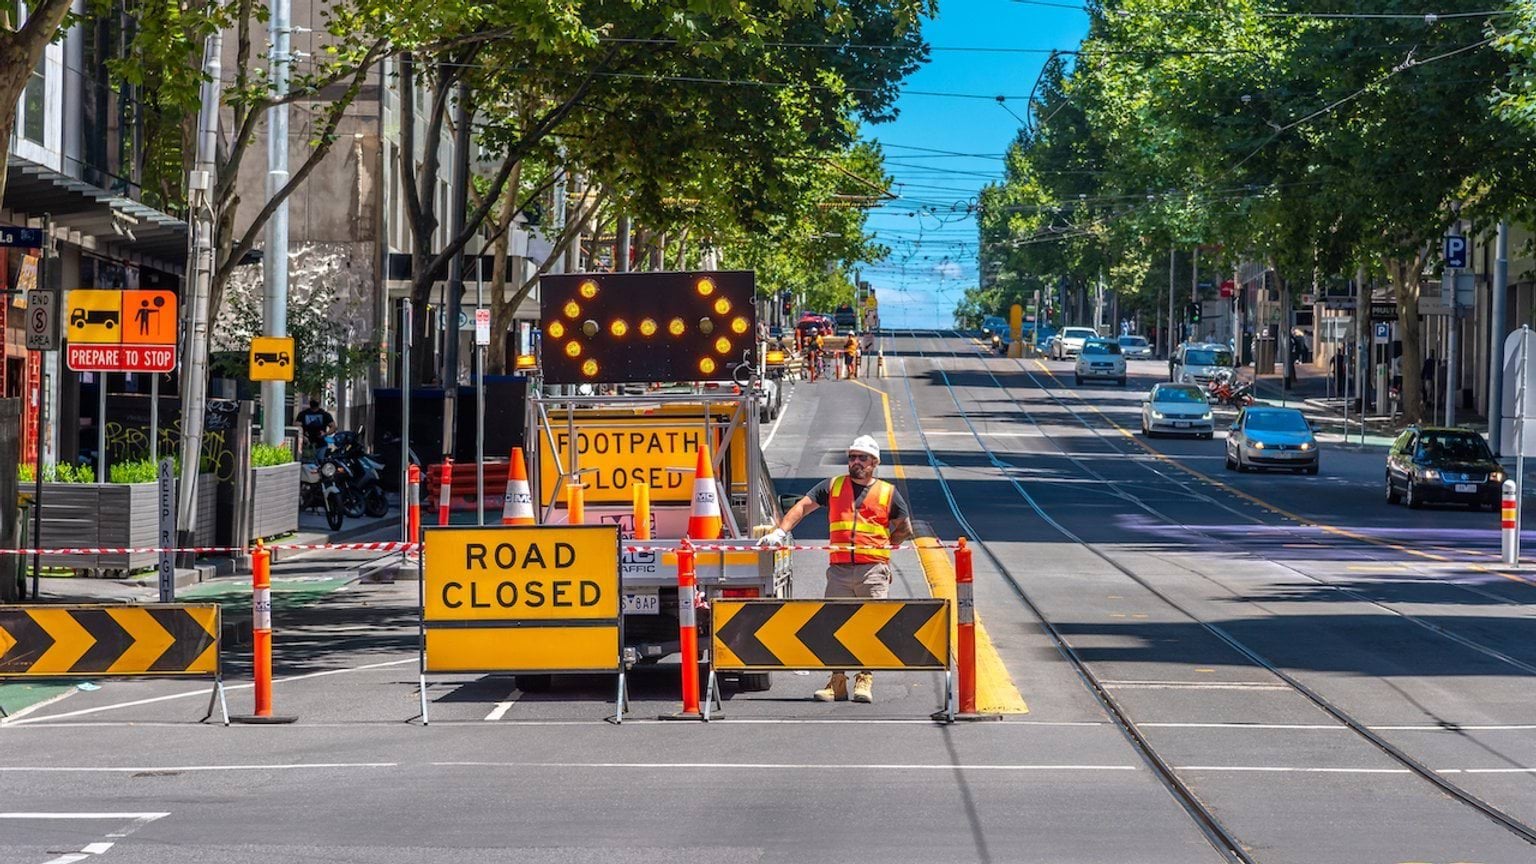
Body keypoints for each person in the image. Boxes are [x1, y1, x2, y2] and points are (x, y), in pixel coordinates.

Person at [756, 435, 913, 704]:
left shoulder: (888, 493)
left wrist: (884, 552)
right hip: (839, 569)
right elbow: (803, 506)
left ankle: (865, 679)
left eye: (862, 458)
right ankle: (837, 682)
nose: (855, 462)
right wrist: (780, 532)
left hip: (872, 570)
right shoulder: (833, 486)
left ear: (874, 462)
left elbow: (904, 528)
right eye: (852, 457)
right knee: (835, 625)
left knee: (870, 626)